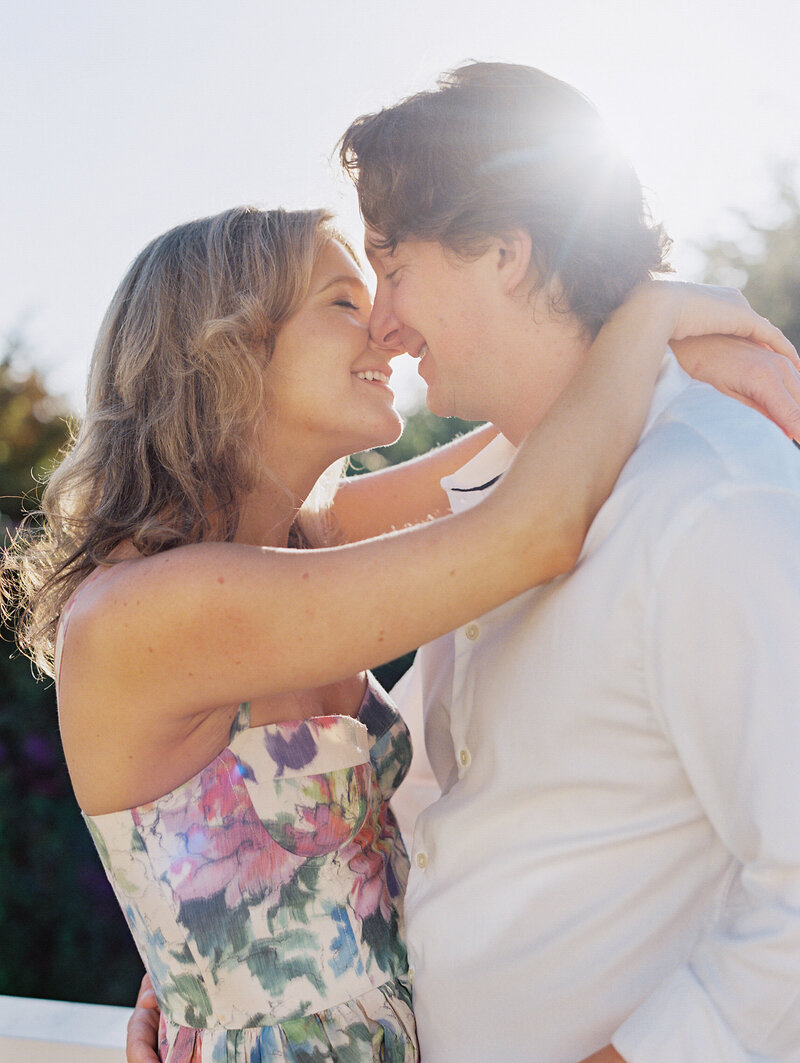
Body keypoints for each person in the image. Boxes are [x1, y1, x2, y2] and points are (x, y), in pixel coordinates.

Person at [10, 205, 788, 1063]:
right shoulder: (152, 610)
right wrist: (649, 317)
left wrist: (657, 359)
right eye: (343, 303)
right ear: (227, 346)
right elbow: (532, 527)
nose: (384, 326)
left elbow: (530, 444)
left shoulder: (302, 541)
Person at [332, 63, 800, 1063]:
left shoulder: (709, 496)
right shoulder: (503, 504)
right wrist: (212, 949)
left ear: (504, 251)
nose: (380, 317)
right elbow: (434, 825)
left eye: (392, 262)